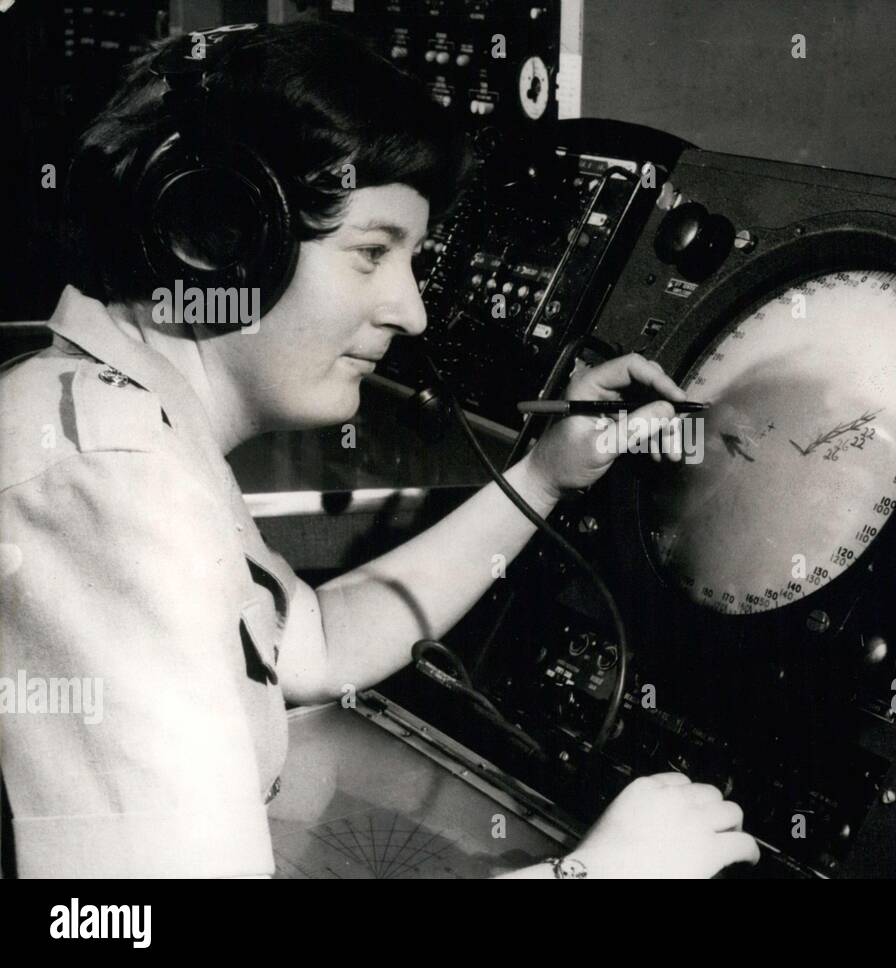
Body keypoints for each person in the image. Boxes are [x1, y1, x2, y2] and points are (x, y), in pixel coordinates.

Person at [0, 20, 758, 879]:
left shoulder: (112, 422)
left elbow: (313, 643)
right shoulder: (108, 491)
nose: (413, 312)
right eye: (371, 253)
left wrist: (541, 475)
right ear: (220, 240)